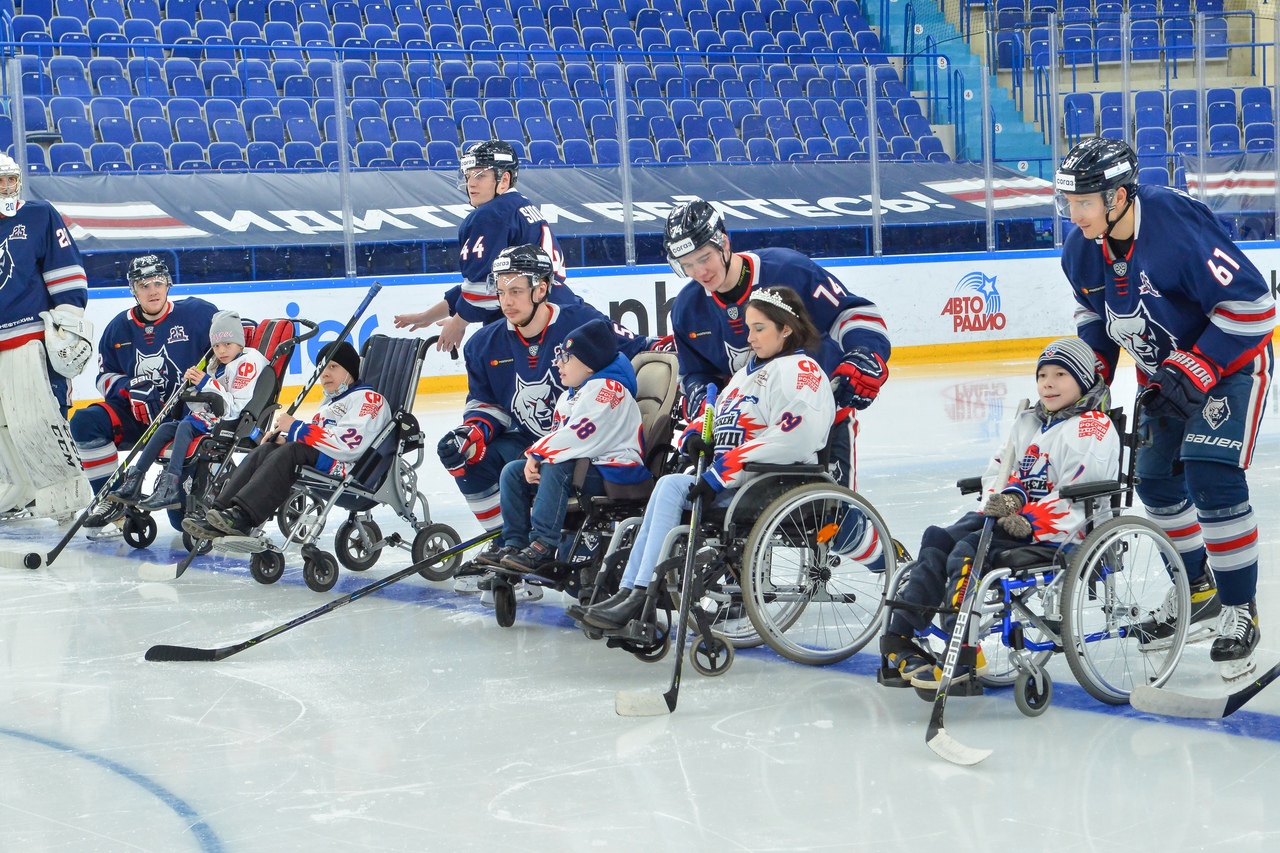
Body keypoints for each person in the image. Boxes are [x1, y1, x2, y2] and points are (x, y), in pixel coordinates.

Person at [1057, 136, 1274, 681]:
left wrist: (1198, 366)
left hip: (1231, 363)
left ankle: (1239, 609)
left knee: (1210, 475)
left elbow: (1254, 307)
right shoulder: (1080, 249)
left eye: (1083, 202)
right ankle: (1198, 591)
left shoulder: (1174, 224)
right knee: (1155, 482)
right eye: (1069, 202)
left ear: (1118, 197)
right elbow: (1093, 316)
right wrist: (1090, 377)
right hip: (1163, 376)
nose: (1073, 214)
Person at [575, 287, 836, 632]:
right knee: (667, 487)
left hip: (765, 484)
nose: (750, 338)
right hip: (732, 480)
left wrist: (724, 471)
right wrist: (695, 435)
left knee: (670, 487)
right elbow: (715, 416)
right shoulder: (745, 375)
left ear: (786, 328)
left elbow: (794, 438)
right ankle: (629, 592)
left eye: (760, 328)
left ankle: (639, 596)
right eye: (749, 328)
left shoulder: (801, 370)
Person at [879, 338, 1119, 690]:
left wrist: (1029, 520)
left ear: (1083, 379)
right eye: (1042, 375)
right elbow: (1002, 471)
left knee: (968, 551)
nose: (1048, 383)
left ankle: (963, 650)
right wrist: (1007, 498)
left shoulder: (1091, 427)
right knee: (939, 538)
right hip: (1013, 521)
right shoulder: (1030, 421)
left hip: (1063, 530)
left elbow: (1081, 494)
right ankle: (900, 635)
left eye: (1060, 374)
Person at [438, 244, 652, 593]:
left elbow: (639, 348)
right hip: (533, 442)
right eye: (501, 291)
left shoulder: (582, 325)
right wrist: (473, 433)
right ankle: (508, 541)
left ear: (541, 289)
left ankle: (542, 543)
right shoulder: (483, 345)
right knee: (464, 454)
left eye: (516, 291)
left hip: (580, 451)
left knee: (556, 465)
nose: (506, 301)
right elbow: (486, 404)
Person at [662, 198, 890, 490]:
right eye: (687, 265)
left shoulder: (788, 270)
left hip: (814, 420)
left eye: (704, 258)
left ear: (724, 244)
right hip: (746, 434)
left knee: (833, 512)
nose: (699, 272)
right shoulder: (687, 308)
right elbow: (696, 373)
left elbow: (852, 313)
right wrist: (703, 411)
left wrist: (864, 354)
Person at [182, 340, 390, 539]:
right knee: (267, 449)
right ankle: (220, 512)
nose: (325, 373)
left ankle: (243, 517)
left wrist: (297, 429)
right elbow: (318, 438)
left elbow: (348, 445)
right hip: (328, 461)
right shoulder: (331, 403)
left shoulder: (369, 400)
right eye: (322, 368)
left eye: (333, 366)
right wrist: (286, 438)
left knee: (292, 452)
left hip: (350, 470)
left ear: (350, 370)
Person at [73, 255, 219, 533]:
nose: (153, 291)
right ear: (133, 290)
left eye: (158, 283)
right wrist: (129, 387)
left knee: (181, 521)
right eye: (144, 285)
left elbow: (231, 347)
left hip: (186, 424)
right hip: (140, 419)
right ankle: (112, 500)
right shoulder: (118, 328)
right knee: (85, 421)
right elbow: (104, 378)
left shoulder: (198, 314)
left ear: (168, 284)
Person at [393, 140, 582, 352]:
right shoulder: (521, 205)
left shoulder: (491, 215)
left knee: (478, 354)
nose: (471, 184)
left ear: (504, 179)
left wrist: (458, 322)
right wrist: (427, 317)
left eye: (480, 175)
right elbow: (490, 284)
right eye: (468, 175)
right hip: (560, 313)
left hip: (527, 327)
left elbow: (484, 290)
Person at [494, 318, 650, 575]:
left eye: (566, 357)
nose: (558, 363)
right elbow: (565, 439)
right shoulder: (573, 393)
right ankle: (514, 543)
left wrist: (539, 453)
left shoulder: (610, 390)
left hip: (616, 473)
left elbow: (582, 435)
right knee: (513, 471)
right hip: (587, 469)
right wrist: (538, 457)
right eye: (559, 356)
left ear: (589, 364)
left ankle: (543, 544)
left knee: (556, 468)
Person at [0, 152, 92, 521]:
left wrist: (66, 324)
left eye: (10, 179)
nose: (6, 187)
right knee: (3, 427)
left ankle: (64, 497)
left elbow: (65, 270)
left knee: (42, 420)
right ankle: (15, 491)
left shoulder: (37, 215)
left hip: (29, 341)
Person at [104, 310, 270, 512]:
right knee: (165, 428)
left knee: (185, 426)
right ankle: (135, 480)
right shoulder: (216, 364)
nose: (221, 350)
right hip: (213, 416)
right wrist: (193, 387)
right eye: (216, 346)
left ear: (240, 343)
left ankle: (170, 486)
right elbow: (207, 401)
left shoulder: (247, 363)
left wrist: (206, 383)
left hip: (234, 421)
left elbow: (234, 407)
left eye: (227, 344)